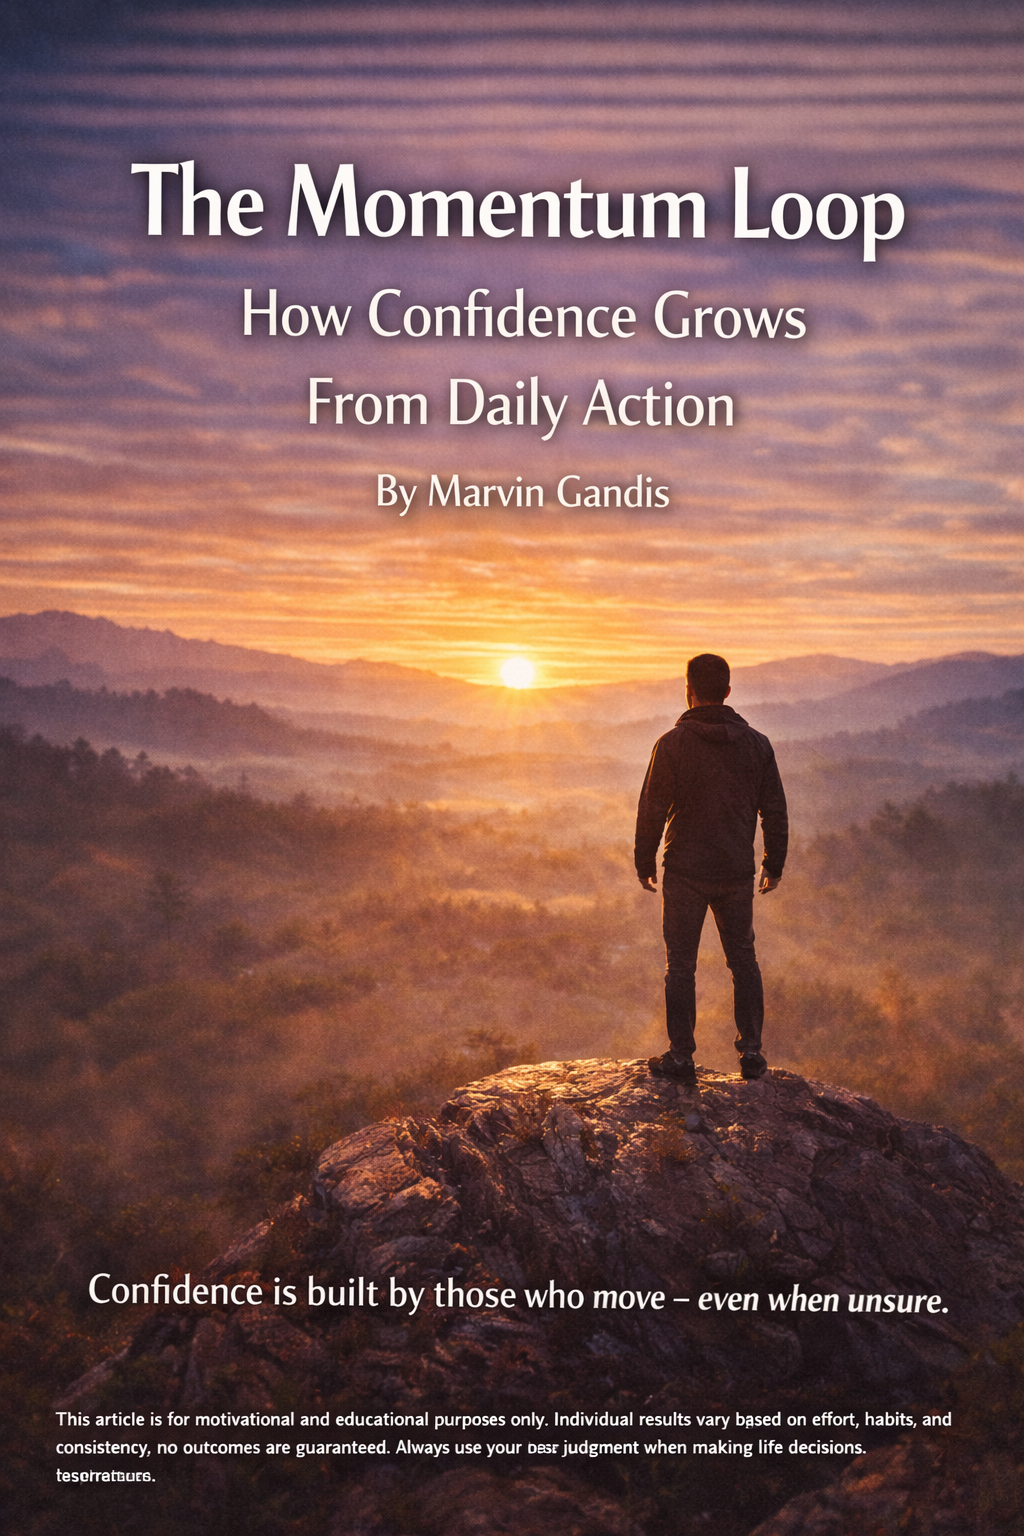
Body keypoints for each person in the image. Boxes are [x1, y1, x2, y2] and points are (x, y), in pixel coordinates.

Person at [634, 652, 788, 1087]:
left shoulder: (672, 744)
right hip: (736, 871)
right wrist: (772, 864)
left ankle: (682, 1057)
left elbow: (652, 808)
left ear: (689, 690)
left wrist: (644, 861)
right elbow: (774, 811)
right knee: (743, 961)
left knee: (680, 966)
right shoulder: (757, 744)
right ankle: (753, 1053)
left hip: (684, 869)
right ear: (727, 691)